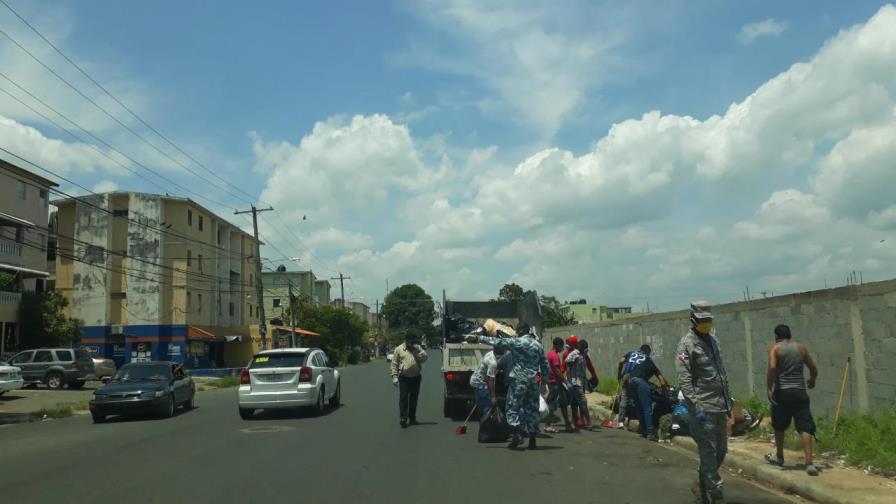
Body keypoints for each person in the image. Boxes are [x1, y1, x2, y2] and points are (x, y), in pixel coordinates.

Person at [676, 301, 733, 504]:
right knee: (708, 453)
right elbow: (684, 377)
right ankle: (715, 495)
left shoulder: (714, 340)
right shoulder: (686, 344)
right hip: (703, 407)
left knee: (721, 452)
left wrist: (728, 401)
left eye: (709, 320)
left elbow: (721, 372)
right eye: (703, 320)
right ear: (693, 320)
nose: (706, 323)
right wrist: (695, 404)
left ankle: (701, 487)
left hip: (720, 405)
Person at [467, 322, 548, 450]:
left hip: (518, 381)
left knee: (512, 408)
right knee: (532, 410)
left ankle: (517, 434)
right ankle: (532, 441)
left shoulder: (516, 342)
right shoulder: (538, 345)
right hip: (533, 381)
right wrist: (545, 381)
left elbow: (497, 342)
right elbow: (544, 364)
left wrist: (478, 338)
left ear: (520, 331)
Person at [765, 324, 820, 476]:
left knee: (779, 425)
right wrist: (812, 380)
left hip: (782, 392)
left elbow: (772, 368)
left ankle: (780, 457)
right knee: (805, 426)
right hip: (800, 392)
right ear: (790, 335)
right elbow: (813, 368)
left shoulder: (775, 348)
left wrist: (769, 388)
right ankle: (809, 463)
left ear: (777, 336)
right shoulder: (801, 348)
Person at [625, 343, 669, 441]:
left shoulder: (635, 358)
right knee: (647, 407)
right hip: (641, 381)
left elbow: (622, 362)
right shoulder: (648, 360)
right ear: (648, 352)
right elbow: (661, 379)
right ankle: (650, 433)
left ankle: (643, 431)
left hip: (631, 381)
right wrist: (665, 391)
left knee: (639, 407)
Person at [390, 332, 428, 428]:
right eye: (409, 341)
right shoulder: (399, 349)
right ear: (406, 340)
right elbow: (394, 364)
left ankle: (412, 418)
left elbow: (424, 359)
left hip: (416, 377)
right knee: (403, 398)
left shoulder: (416, 348)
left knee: (413, 399)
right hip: (404, 377)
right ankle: (403, 418)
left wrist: (419, 350)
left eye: (413, 341)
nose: (411, 343)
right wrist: (394, 377)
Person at [545, 337, 573, 432]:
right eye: (561, 347)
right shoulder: (555, 356)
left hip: (554, 382)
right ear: (557, 345)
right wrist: (565, 381)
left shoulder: (549, 354)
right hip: (555, 383)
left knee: (563, 403)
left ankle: (567, 424)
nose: (562, 349)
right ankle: (548, 424)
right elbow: (557, 370)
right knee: (552, 405)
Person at [470, 347, 506, 417]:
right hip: (480, 384)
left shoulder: (490, 353)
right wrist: (493, 396)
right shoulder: (493, 363)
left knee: (481, 404)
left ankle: (483, 420)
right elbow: (491, 380)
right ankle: (488, 420)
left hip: (475, 380)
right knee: (488, 406)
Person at [565, 339, 592, 429]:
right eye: (584, 347)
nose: (585, 349)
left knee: (575, 402)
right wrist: (569, 382)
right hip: (575, 382)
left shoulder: (583, 355)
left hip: (582, 382)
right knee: (583, 402)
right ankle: (589, 422)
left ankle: (575, 421)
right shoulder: (573, 354)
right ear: (579, 346)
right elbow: (568, 368)